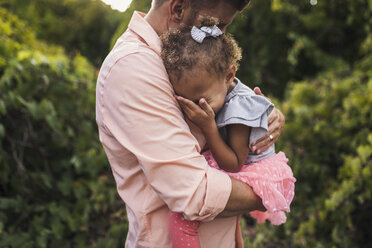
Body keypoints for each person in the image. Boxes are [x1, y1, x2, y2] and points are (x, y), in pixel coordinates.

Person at [95, 0, 286, 247]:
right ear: (178, 9)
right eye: (216, 25)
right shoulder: (133, 68)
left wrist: (263, 116)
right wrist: (270, 190)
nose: (218, 36)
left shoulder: (188, 61)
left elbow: (231, 92)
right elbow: (196, 193)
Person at [160, 16, 296, 247]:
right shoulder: (219, 84)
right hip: (239, 162)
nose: (197, 106)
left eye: (204, 100)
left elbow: (233, 163)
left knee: (181, 219)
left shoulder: (239, 109)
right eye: (190, 100)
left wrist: (209, 127)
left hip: (250, 169)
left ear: (229, 75)